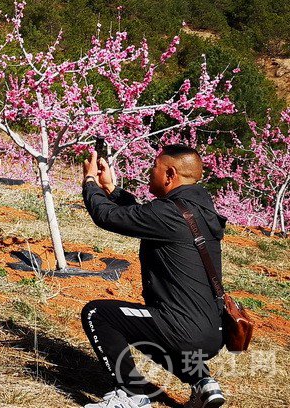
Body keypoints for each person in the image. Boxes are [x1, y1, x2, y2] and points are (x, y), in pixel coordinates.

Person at [80, 144, 227, 408]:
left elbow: (106, 216)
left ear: (170, 174)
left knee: (98, 314)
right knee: (151, 326)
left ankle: (131, 393)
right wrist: (111, 190)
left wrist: (90, 182)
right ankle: (203, 383)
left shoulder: (169, 213)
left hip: (184, 330)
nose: (149, 173)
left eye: (154, 168)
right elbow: (140, 216)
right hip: (211, 331)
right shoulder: (197, 209)